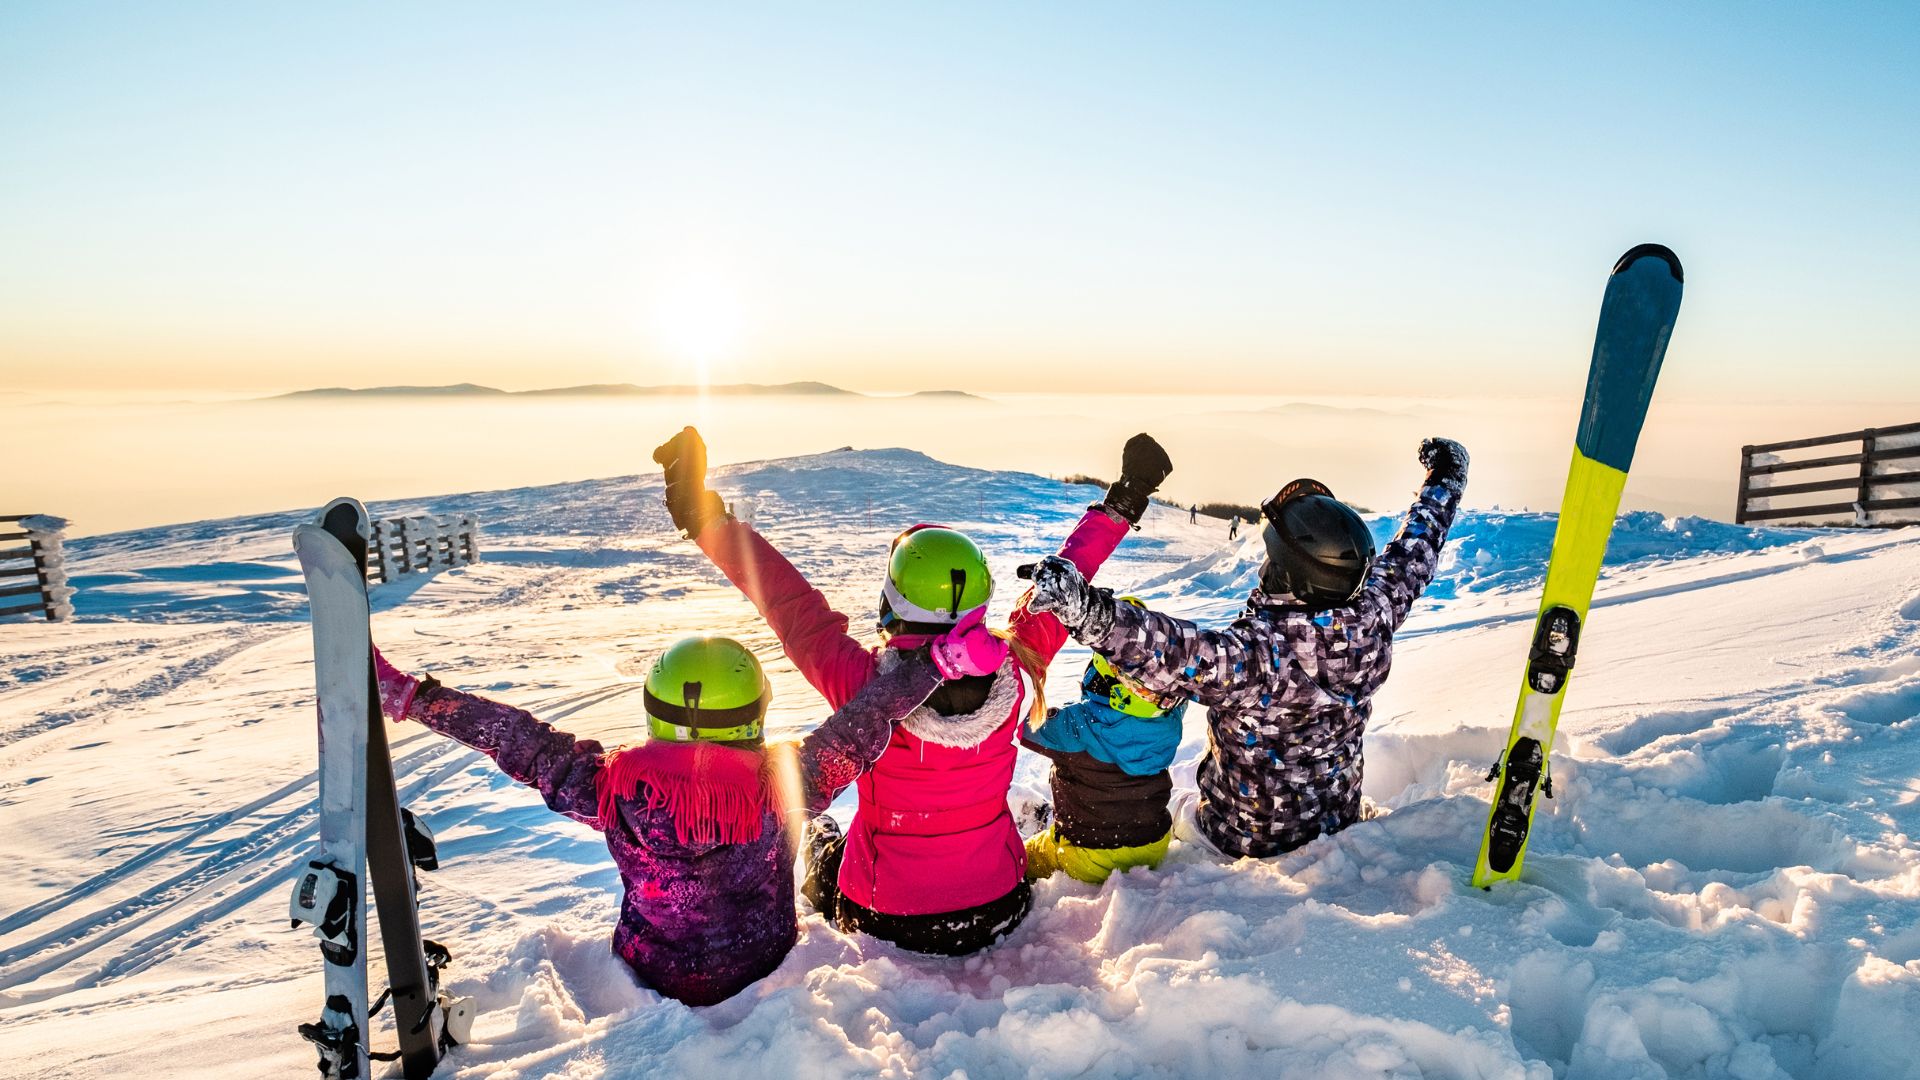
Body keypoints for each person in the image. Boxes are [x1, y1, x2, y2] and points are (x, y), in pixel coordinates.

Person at [653, 427, 1172, 954]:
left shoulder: (862, 686)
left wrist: (705, 519)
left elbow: (789, 604)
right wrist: (1124, 499)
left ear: (893, 601)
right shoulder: (1016, 668)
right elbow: (1065, 584)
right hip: (999, 902)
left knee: (821, 840)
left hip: (886, 915)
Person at [368, 623, 1004, 1006]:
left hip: (654, 969)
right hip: (764, 962)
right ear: (754, 711)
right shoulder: (785, 784)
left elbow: (515, 738)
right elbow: (866, 722)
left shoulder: (611, 786)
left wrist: (415, 699)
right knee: (820, 839)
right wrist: (937, 666)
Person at [1021, 437, 1468, 859]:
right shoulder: (1374, 614)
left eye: (1272, 558)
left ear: (1290, 575)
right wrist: (1444, 480)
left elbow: (1167, 650)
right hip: (1336, 818)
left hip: (1241, 838)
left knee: (1171, 817)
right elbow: (1414, 553)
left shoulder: (1257, 656)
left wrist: (1084, 609)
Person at [1021, 597, 1189, 883]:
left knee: (1026, 858)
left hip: (1089, 855)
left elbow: (1022, 725)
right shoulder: (1168, 718)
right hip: (1153, 844)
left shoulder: (1077, 726)